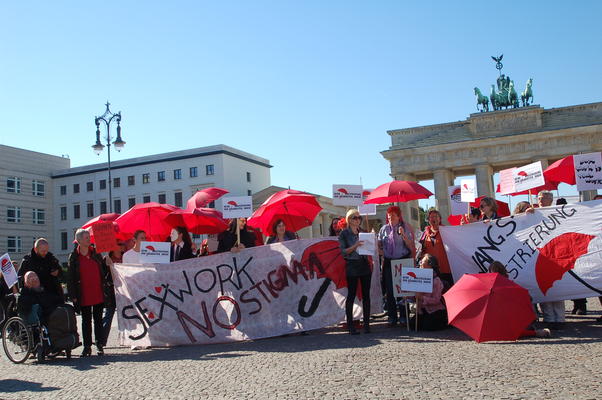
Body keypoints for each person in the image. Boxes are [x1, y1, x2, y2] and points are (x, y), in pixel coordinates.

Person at [528, 191, 566, 328]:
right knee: (544, 285)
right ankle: (549, 317)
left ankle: (560, 317)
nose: (540, 200)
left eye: (543, 198)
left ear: (550, 199)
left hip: (556, 253)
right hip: (541, 254)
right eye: (538, 198)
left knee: (557, 286)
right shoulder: (534, 212)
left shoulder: (558, 211)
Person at [67, 229, 108, 357]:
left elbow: (104, 270)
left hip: (97, 292)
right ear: (78, 240)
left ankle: (99, 345)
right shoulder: (74, 256)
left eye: (88, 237)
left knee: (98, 320)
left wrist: (108, 262)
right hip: (83, 294)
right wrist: (73, 295)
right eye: (85, 238)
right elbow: (70, 278)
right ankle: (87, 346)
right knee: (86, 321)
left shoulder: (96, 253)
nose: (88, 239)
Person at [488, 261, 551, 338]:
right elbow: (529, 298)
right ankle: (535, 332)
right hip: (515, 318)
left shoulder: (491, 287)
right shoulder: (512, 286)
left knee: (506, 330)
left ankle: (535, 332)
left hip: (503, 318)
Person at [377, 206, 415, 327]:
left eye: (393, 214)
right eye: (389, 214)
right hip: (389, 262)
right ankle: (392, 316)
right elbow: (378, 246)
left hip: (402, 260)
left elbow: (411, 245)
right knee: (390, 290)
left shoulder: (405, 227)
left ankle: (404, 316)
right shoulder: (383, 229)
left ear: (399, 216)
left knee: (403, 289)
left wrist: (403, 235)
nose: (390, 216)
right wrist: (382, 252)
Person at [339, 209, 372, 335]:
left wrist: (371, 242)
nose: (358, 220)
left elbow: (369, 249)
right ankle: (350, 325)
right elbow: (343, 252)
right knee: (351, 295)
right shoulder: (344, 234)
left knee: (366, 295)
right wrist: (356, 245)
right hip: (352, 265)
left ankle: (367, 325)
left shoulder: (363, 232)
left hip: (364, 264)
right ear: (349, 219)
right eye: (355, 218)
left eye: (359, 218)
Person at [409, 254, 447, 331]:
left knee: (428, 326)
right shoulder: (418, 278)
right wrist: (408, 295)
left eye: (422, 262)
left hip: (435, 309)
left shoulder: (436, 280)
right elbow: (414, 297)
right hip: (423, 310)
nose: (420, 264)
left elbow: (436, 300)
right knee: (412, 325)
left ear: (430, 266)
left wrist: (422, 298)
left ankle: (444, 322)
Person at [419, 210, 453, 289]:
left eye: (435, 216)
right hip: (430, 271)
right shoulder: (424, 233)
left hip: (445, 268)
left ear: (440, 219)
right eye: (431, 217)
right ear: (429, 220)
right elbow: (420, 248)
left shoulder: (446, 231)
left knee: (446, 292)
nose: (433, 218)